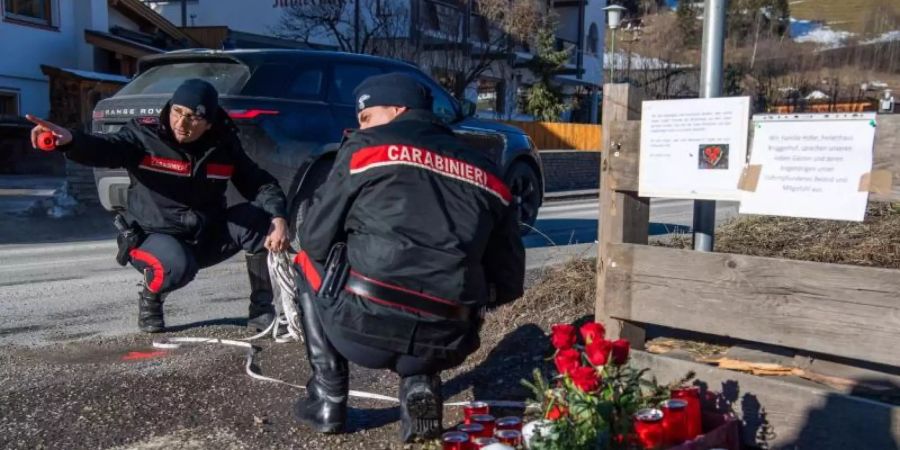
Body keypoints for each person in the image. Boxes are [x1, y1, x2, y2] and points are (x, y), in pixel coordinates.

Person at [291, 73, 525, 442]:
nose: (360, 125)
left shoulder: (364, 149)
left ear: (398, 109)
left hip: (362, 330)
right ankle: (420, 383)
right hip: (449, 336)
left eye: (366, 117)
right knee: (439, 288)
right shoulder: (488, 170)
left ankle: (327, 396)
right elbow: (510, 281)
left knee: (304, 258)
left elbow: (315, 238)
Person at [27, 79, 289, 333]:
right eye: (177, 112)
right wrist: (71, 141)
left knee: (259, 222)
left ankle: (261, 310)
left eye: (193, 118)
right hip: (153, 237)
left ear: (209, 123)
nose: (182, 124)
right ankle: (151, 298)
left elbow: (259, 183)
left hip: (204, 235)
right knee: (177, 265)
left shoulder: (224, 144)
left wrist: (278, 217)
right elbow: (106, 148)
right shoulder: (144, 135)